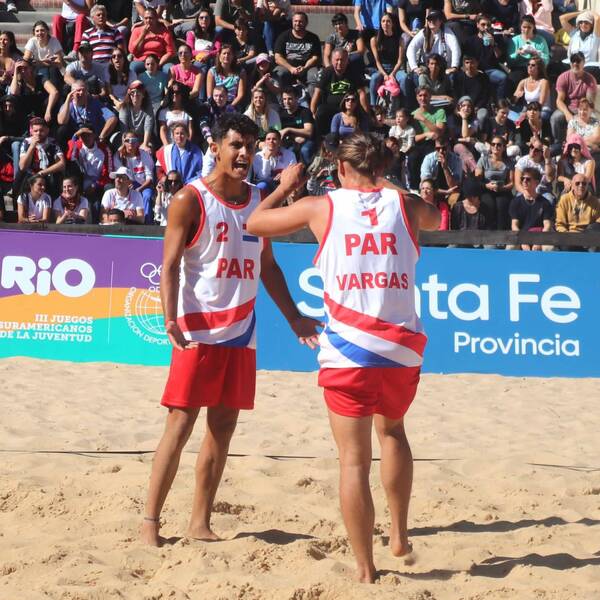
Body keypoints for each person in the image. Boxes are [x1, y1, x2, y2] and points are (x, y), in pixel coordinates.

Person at [246, 131, 441, 584]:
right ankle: (398, 533)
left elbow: (255, 223)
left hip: (349, 350)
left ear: (341, 170)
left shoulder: (322, 206)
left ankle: (365, 569)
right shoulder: (405, 204)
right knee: (393, 432)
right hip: (400, 348)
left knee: (353, 461)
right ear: (380, 169)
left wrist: (284, 186)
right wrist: (386, 183)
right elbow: (434, 216)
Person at [139, 113, 320, 548]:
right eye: (236, 144)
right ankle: (149, 522)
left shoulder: (258, 199)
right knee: (179, 425)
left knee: (222, 428)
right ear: (216, 147)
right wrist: (169, 317)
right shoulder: (190, 199)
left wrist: (294, 316)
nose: (244, 153)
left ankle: (199, 522)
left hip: (241, 330)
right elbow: (169, 266)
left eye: (250, 146)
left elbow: (268, 266)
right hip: (197, 330)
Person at [311, 48, 369, 139]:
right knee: (320, 113)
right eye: (336, 60)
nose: (339, 63)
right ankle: (321, 139)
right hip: (330, 106)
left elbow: (361, 93)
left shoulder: (353, 72)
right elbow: (317, 92)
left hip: (349, 106)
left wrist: (366, 111)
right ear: (332, 60)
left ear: (347, 60)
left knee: (363, 116)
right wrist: (313, 111)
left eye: (342, 60)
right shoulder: (327, 72)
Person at [551, 52, 598, 144]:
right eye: (573, 61)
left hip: (583, 108)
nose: (575, 63)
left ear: (583, 63)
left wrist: (580, 114)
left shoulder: (590, 80)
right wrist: (567, 114)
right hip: (568, 107)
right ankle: (559, 144)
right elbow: (559, 100)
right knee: (555, 117)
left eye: (578, 61)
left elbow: (589, 102)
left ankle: (587, 145)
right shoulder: (563, 77)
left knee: (593, 119)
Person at [407, 86, 447, 191]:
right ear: (416, 97)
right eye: (420, 95)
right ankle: (414, 189)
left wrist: (424, 119)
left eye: (425, 95)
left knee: (434, 158)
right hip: (419, 143)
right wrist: (426, 135)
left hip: (435, 143)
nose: (423, 98)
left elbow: (439, 132)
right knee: (412, 157)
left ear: (430, 97)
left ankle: (434, 189)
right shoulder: (413, 114)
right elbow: (412, 137)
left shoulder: (439, 112)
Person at [17, 117, 66, 197]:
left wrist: (42, 173)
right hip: (31, 174)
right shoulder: (26, 142)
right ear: (31, 131)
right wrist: (32, 147)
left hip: (48, 173)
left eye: (41, 130)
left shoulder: (53, 143)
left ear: (47, 130)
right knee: (20, 177)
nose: (38, 133)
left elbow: (62, 164)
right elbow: (22, 166)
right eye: (36, 131)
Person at [463, 13, 508, 101]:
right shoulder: (470, 41)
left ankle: (500, 102)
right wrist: (475, 69)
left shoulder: (496, 38)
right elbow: (466, 59)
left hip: (491, 70)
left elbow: (499, 56)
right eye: (483, 25)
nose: (486, 27)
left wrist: (493, 44)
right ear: (477, 25)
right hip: (475, 69)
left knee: (503, 78)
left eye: (488, 25)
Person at [273, 12, 321, 92]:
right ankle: (280, 102)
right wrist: (291, 68)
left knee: (314, 75)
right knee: (278, 74)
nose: (297, 23)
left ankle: (312, 103)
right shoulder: (283, 36)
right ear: (292, 22)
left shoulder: (313, 38)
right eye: (295, 21)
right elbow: (277, 57)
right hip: (287, 67)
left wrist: (305, 68)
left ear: (306, 23)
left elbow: (315, 57)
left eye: (300, 21)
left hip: (307, 67)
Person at [113, 130, 155, 220]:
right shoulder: (118, 156)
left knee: (147, 195)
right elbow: (119, 175)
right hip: (125, 184)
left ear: (138, 143)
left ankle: (147, 222)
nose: (131, 143)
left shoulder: (144, 155)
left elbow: (149, 178)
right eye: (128, 140)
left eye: (134, 140)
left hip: (143, 185)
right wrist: (128, 184)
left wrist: (140, 188)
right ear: (124, 142)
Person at [509, 166, 554, 250]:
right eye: (522, 179)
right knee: (510, 247)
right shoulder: (515, 202)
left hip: (539, 236)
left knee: (549, 248)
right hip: (521, 237)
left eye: (528, 179)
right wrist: (522, 241)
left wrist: (539, 241)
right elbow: (514, 225)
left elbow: (547, 226)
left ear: (536, 183)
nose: (524, 181)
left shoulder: (545, 203)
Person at [475, 135, 514, 229]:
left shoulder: (509, 162)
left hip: (502, 190)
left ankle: (501, 235)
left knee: (502, 205)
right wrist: (487, 186)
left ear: (504, 147)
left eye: (499, 145)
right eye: (493, 144)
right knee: (489, 205)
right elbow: (477, 179)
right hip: (486, 189)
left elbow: (511, 182)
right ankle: (488, 233)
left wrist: (502, 188)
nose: (496, 147)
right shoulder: (483, 160)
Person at [368, 13, 405, 108]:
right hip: (382, 68)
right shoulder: (374, 40)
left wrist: (392, 73)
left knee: (404, 79)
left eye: (388, 21)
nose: (385, 23)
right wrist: (384, 74)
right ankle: (373, 107)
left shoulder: (399, 39)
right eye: (383, 21)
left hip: (396, 68)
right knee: (374, 78)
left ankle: (405, 107)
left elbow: (400, 60)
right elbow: (377, 61)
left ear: (392, 24)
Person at [80, 5, 125, 75]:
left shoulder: (115, 32)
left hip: (110, 65)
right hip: (94, 65)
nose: (101, 16)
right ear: (93, 18)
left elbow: (121, 50)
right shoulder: (87, 33)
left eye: (103, 15)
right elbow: (83, 52)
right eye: (98, 15)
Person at [129, 8, 177, 75]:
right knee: (133, 67)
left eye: (151, 18)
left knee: (170, 68)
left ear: (156, 19)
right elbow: (132, 50)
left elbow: (170, 52)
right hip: (142, 60)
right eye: (146, 18)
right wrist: (143, 34)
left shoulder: (164, 32)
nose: (148, 20)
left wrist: (158, 64)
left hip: (159, 61)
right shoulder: (137, 30)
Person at [279, 85, 315, 165]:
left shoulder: (305, 112)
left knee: (305, 150)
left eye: (290, 99)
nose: (286, 102)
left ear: (297, 98)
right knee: (288, 152)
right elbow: (279, 132)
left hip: (307, 140)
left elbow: (308, 132)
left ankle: (309, 173)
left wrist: (289, 129)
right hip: (289, 141)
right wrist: (294, 137)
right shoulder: (280, 114)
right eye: (284, 99)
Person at [420, 135, 463, 199]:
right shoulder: (428, 159)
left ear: (449, 147)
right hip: (432, 192)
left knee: (456, 196)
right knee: (425, 192)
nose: (441, 151)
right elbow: (425, 184)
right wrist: (445, 192)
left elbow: (454, 186)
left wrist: (445, 167)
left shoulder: (456, 160)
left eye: (444, 148)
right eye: (438, 148)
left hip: (450, 192)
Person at [559, 10, 600, 77]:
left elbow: (597, 18)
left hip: (588, 68)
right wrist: (580, 13)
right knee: (556, 66)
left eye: (586, 22)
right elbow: (562, 18)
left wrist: (590, 11)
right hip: (572, 65)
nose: (583, 25)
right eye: (581, 22)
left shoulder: (595, 36)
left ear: (591, 25)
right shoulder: (574, 34)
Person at [118, 80, 155, 152]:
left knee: (148, 150)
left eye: (138, 92)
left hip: (143, 138)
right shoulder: (124, 107)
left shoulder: (148, 108)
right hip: (127, 139)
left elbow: (148, 127)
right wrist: (126, 145)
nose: (135, 95)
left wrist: (145, 144)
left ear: (143, 94)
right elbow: (124, 129)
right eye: (132, 93)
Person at [206, 44, 246, 108]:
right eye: (224, 53)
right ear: (219, 56)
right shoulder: (212, 72)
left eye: (229, 54)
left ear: (233, 56)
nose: (226, 56)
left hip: (232, 104)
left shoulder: (240, 72)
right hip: (216, 103)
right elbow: (210, 95)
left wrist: (230, 106)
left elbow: (240, 95)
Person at [512, 55, 551, 121]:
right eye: (528, 64)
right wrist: (516, 97)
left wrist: (527, 114)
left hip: (541, 111)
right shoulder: (523, 82)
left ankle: (519, 124)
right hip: (527, 110)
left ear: (539, 68)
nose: (530, 66)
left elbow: (540, 104)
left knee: (521, 119)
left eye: (533, 65)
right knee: (508, 113)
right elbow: (513, 101)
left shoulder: (544, 82)